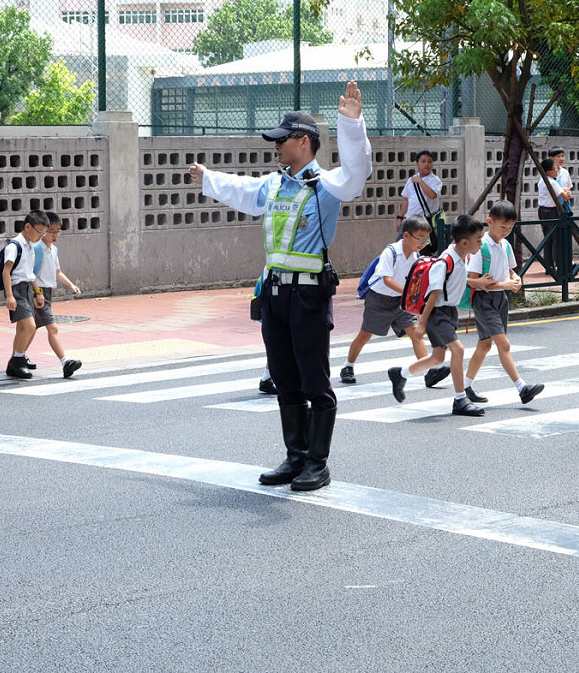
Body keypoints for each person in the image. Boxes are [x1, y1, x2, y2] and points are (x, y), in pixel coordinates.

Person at [187, 82, 371, 492]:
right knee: (285, 380)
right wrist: (208, 178)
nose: (275, 146)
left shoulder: (326, 185)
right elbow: (242, 190)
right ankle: (295, 456)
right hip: (274, 294)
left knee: (314, 382)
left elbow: (357, 174)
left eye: (281, 140)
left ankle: (317, 463)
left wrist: (351, 124)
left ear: (303, 142)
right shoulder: (273, 185)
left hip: (308, 294)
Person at [386, 213, 499, 415]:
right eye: (478, 240)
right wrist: (421, 323)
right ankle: (460, 399)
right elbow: (434, 293)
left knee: (438, 358)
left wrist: (478, 283)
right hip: (437, 313)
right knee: (458, 350)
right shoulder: (445, 261)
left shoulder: (461, 257)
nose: (481, 244)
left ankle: (400, 373)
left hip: (448, 312)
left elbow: (458, 280)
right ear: (464, 242)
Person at [462, 201, 544, 408]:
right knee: (503, 344)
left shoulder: (505, 245)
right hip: (484, 301)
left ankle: (465, 386)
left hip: (501, 299)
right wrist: (504, 284)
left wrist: (516, 279)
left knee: (485, 345)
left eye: (510, 228)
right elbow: (475, 280)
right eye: (502, 227)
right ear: (489, 222)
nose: (506, 231)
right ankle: (521, 388)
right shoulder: (481, 248)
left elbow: (510, 271)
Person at [340, 215, 436, 385]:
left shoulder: (416, 257)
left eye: (426, 240)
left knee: (415, 333)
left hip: (400, 301)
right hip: (379, 299)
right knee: (365, 334)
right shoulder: (390, 252)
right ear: (406, 236)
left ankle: (429, 371)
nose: (423, 243)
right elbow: (387, 280)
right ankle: (348, 366)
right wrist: (408, 294)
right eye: (420, 239)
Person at [30, 211, 84, 379]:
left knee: (29, 328)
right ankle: (65, 362)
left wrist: (71, 285)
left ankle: (18, 356)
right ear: (43, 230)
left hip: (46, 293)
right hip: (36, 292)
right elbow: (29, 273)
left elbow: (57, 272)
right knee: (52, 327)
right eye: (51, 231)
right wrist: (37, 293)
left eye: (58, 231)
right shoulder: (37, 248)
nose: (54, 235)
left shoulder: (53, 250)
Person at [2, 210, 50, 379]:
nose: (41, 236)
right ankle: (17, 359)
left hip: (27, 289)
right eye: (39, 232)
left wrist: (38, 292)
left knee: (24, 327)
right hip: (16, 289)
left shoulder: (29, 246)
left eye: (43, 233)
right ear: (27, 226)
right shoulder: (14, 246)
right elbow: (6, 271)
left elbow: (29, 274)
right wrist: (9, 296)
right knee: (29, 325)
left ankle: (16, 361)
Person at [536, 149, 572, 277]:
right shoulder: (552, 181)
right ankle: (559, 266)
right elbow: (565, 196)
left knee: (548, 238)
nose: (557, 170)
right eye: (554, 169)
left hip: (542, 210)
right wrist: (566, 192)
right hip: (552, 211)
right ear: (549, 171)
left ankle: (549, 265)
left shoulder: (543, 180)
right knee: (556, 239)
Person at [397, 150, 443, 251]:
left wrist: (420, 181)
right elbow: (406, 200)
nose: (427, 164)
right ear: (417, 164)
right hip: (409, 221)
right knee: (400, 248)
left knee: (422, 250)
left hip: (424, 222)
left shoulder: (435, 180)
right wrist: (400, 217)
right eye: (423, 161)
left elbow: (432, 195)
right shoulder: (411, 180)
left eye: (430, 162)